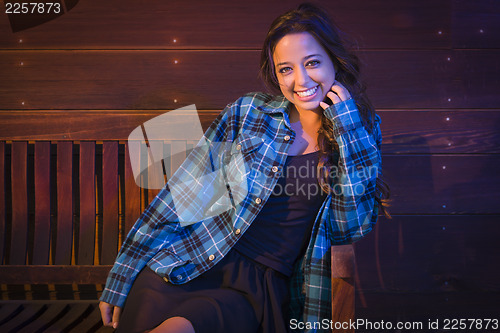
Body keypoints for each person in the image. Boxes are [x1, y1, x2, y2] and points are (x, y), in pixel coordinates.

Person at [99, 3, 390, 332]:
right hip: (193, 259)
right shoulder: (248, 112)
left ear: (333, 61)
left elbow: (351, 226)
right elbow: (181, 199)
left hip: (256, 289)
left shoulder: (358, 131)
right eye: (286, 69)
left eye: (312, 63)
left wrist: (346, 127)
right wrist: (121, 276)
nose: (301, 80)